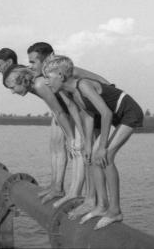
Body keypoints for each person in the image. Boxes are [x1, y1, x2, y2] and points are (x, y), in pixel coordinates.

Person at [42, 55, 144, 230]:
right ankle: (101, 206)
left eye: (48, 78)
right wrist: (88, 144)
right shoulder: (70, 92)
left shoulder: (83, 85)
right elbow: (89, 115)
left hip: (129, 113)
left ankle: (115, 211)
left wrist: (103, 146)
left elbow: (106, 113)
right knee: (92, 158)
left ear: (60, 74)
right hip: (116, 116)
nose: (46, 83)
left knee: (106, 157)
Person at [26, 42, 112, 209]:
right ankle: (90, 199)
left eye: (33, 62)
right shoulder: (53, 77)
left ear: (49, 58)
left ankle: (95, 201)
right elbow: (70, 104)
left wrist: (79, 137)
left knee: (91, 154)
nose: (31, 66)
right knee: (87, 152)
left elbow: (89, 95)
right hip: (87, 108)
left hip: (102, 105)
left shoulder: (66, 72)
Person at [2, 64, 84, 205]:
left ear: (22, 80)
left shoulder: (39, 84)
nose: (12, 92)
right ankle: (60, 189)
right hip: (73, 111)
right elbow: (59, 109)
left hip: (82, 111)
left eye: (12, 87)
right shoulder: (35, 85)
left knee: (78, 150)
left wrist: (70, 137)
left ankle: (75, 195)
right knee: (73, 150)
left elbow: (59, 111)